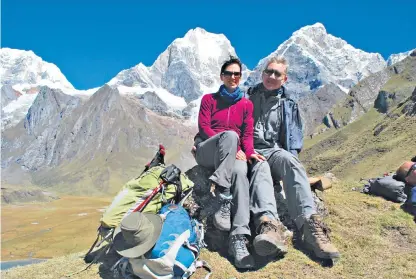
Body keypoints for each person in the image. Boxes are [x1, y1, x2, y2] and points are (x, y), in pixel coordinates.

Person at [243, 56, 340, 260]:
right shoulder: (245, 98)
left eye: (277, 73)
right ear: (262, 74)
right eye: (268, 71)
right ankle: (268, 226)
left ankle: (311, 228)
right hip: (249, 152)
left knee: (291, 161)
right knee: (260, 168)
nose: (271, 76)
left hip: (275, 152)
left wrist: (289, 170)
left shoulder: (289, 105)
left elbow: (293, 141)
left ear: (284, 79)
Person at [192, 57, 263, 269]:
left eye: (237, 74)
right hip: (207, 149)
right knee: (231, 136)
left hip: (234, 155)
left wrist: (248, 153)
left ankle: (238, 238)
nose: (233, 77)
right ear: (221, 76)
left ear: (240, 77)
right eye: (229, 73)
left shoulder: (246, 105)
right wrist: (231, 145)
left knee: (241, 174)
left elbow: (248, 134)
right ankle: (224, 196)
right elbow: (204, 127)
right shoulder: (208, 100)